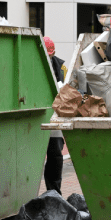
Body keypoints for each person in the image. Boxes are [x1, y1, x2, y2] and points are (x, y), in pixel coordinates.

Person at [43, 36, 67, 193]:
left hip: (54, 114)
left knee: (56, 156)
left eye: (51, 55)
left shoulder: (61, 66)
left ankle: (54, 192)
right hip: (38, 114)